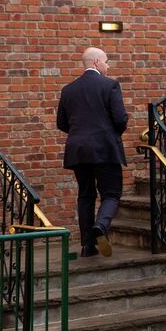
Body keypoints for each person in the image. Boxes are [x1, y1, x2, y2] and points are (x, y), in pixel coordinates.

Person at [56, 47, 128, 258]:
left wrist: (82, 135)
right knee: (112, 193)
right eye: (106, 61)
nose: (108, 65)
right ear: (96, 62)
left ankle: (88, 246)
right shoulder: (110, 85)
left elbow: (61, 122)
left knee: (85, 195)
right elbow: (120, 119)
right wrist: (107, 135)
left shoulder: (68, 90)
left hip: (78, 150)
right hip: (104, 148)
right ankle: (101, 226)